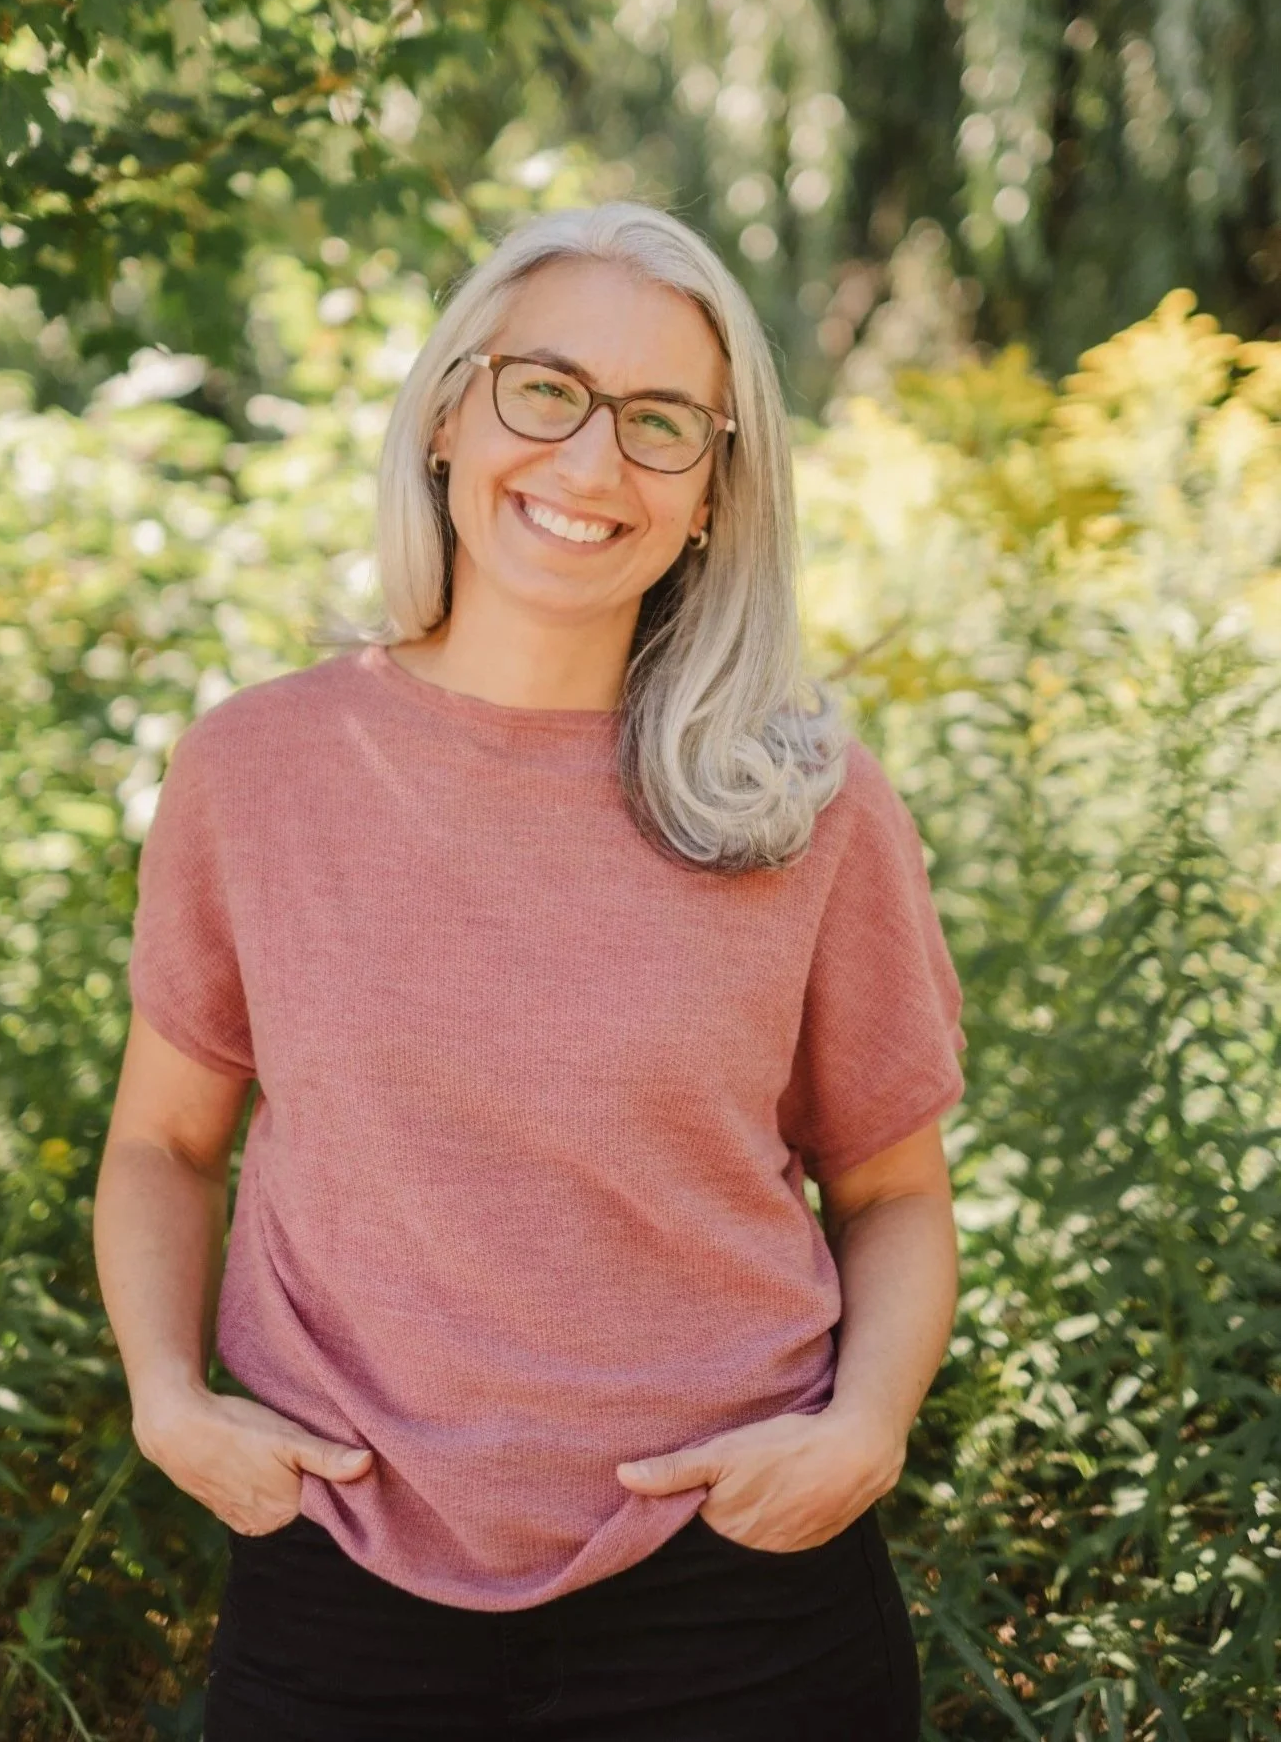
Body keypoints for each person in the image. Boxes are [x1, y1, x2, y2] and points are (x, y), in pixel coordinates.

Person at [93, 200, 967, 1741]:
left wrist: (864, 1431)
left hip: (738, 1589)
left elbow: (891, 1188)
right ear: (447, 414)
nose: (587, 464)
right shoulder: (260, 769)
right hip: (345, 1574)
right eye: (543, 390)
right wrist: (169, 1399)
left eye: (659, 425)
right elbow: (166, 1142)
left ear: (713, 495)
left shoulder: (802, 793)